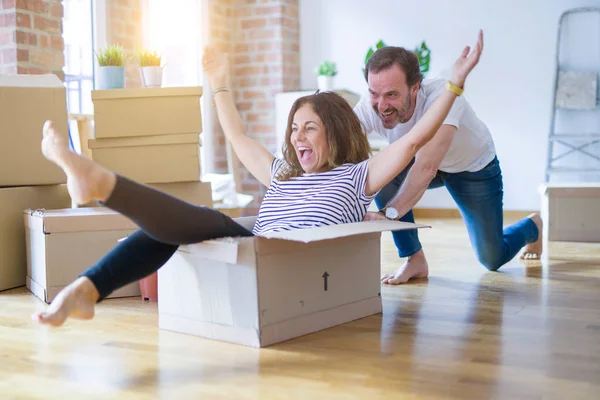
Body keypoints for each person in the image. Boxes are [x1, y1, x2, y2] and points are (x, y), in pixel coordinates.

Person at [32, 31, 483, 327]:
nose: (297, 136)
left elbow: (412, 143)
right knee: (176, 227)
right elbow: (236, 133)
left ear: (335, 133)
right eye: (293, 127)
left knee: (187, 222)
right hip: (247, 247)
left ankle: (102, 186)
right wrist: (218, 81)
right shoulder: (282, 172)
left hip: (281, 260)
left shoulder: (356, 176)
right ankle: (86, 288)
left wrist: (455, 86)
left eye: (309, 127)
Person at [354, 34, 542, 285]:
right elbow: (341, 143)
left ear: (415, 87)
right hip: (424, 161)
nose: (381, 105)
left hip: (472, 167)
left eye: (391, 95)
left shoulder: (443, 97)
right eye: (374, 93)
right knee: (380, 172)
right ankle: (414, 259)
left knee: (492, 258)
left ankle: (532, 226)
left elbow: (426, 167)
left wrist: (388, 216)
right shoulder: (371, 104)